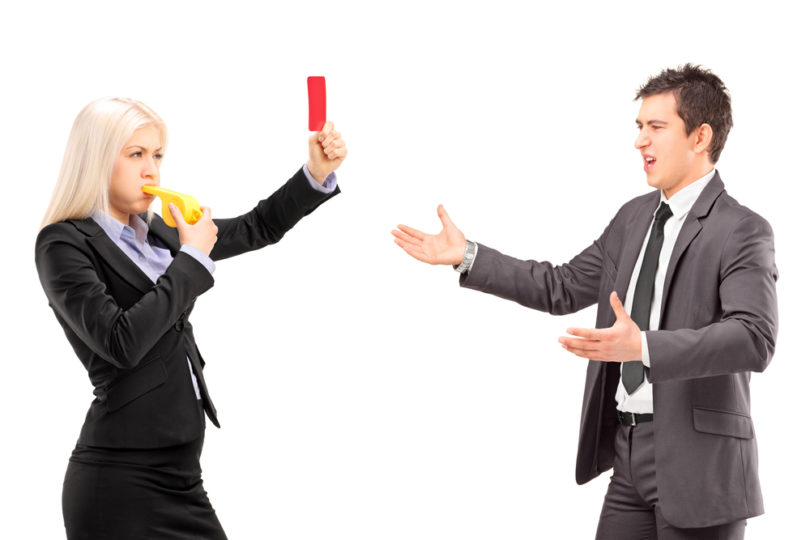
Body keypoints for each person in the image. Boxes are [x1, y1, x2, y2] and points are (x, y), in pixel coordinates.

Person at [392, 64, 777, 539]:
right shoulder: (633, 217)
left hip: (702, 465)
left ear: (700, 137)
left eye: (656, 128)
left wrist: (646, 348)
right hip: (628, 451)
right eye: (639, 127)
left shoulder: (742, 229)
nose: (640, 141)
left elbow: (754, 338)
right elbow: (564, 285)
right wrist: (468, 256)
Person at [35, 97, 347, 539]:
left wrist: (314, 174)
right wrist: (193, 257)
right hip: (119, 482)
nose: (152, 170)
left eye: (157, 155)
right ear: (97, 159)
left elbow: (258, 226)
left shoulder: (161, 233)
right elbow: (121, 342)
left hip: (182, 475)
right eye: (136, 154)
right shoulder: (63, 244)